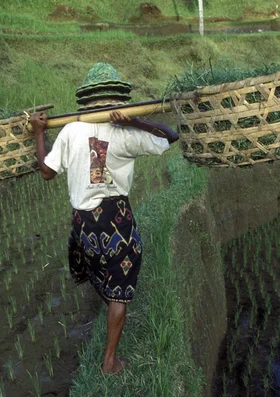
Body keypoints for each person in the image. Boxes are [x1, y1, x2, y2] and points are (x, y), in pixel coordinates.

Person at [30, 62, 179, 375]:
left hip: (83, 222)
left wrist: (39, 133)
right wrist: (137, 121)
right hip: (115, 220)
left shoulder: (71, 130)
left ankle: (109, 315)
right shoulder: (126, 133)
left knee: (101, 274)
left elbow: (46, 171)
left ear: (86, 100)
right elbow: (170, 136)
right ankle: (109, 362)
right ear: (119, 101)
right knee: (120, 287)